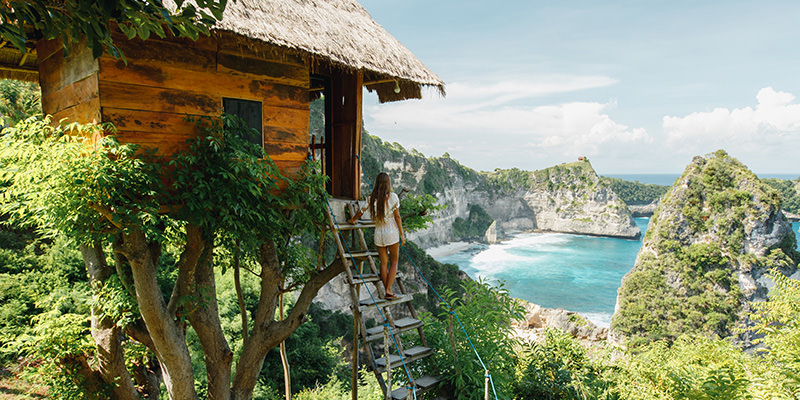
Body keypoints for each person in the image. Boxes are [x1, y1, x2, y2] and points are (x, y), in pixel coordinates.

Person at [347, 172, 406, 299]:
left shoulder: (371, 198)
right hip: (391, 233)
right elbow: (397, 217)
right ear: (388, 183)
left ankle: (387, 291)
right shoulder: (393, 197)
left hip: (379, 234)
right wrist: (402, 234)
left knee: (383, 263)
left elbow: (360, 212)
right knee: (394, 262)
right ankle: (388, 290)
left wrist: (352, 220)